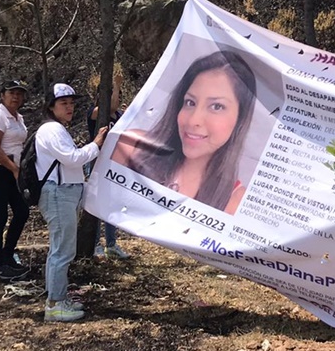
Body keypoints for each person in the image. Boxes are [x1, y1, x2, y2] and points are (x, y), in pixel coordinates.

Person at [111, 50, 257, 215]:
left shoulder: (235, 201)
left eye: (217, 106)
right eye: (190, 102)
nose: (194, 119)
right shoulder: (131, 148)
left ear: (240, 118)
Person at [37, 83, 108, 323]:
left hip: (64, 192)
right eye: (63, 103)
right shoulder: (51, 130)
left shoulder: (58, 129)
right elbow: (72, 158)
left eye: (71, 103)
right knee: (62, 250)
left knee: (62, 248)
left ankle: (58, 299)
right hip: (58, 194)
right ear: (51, 106)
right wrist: (96, 144)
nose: (69, 108)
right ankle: (55, 305)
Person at [0, 80, 31, 281]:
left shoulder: (18, 118)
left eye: (19, 93)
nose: (16, 97)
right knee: (0, 216)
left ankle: (8, 252)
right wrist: (13, 169)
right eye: (12, 93)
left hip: (15, 171)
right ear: (2, 95)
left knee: (22, 212)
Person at [87, 68, 129, 259]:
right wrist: (117, 83)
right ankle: (95, 243)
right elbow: (109, 107)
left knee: (111, 205)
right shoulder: (95, 113)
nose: (117, 98)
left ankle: (111, 244)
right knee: (96, 204)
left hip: (114, 165)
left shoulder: (118, 115)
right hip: (96, 162)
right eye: (114, 95)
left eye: (119, 95)